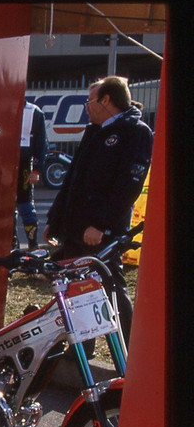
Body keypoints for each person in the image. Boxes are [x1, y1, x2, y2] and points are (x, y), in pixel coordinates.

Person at [44, 75, 152, 349]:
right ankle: (83, 349)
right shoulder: (94, 130)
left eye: (89, 101)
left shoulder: (135, 132)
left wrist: (102, 225)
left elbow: (128, 186)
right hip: (75, 229)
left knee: (111, 286)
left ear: (106, 100)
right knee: (76, 289)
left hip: (102, 232)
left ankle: (130, 352)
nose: (86, 107)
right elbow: (73, 181)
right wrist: (55, 221)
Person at [15, 99, 48, 250]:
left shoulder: (34, 111)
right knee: (6, 209)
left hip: (24, 164)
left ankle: (33, 246)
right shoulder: (0, 106)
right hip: (3, 164)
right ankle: (12, 244)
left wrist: (36, 170)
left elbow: (42, 143)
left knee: (25, 206)